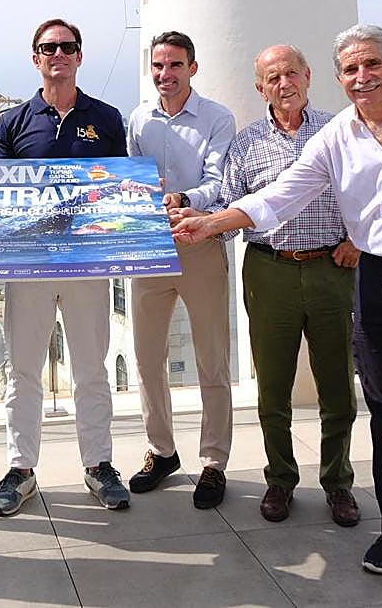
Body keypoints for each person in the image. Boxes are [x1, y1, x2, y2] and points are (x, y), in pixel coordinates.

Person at [172, 24, 382, 592]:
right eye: (352, 70)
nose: (363, 78)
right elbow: (281, 194)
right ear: (339, 79)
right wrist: (212, 221)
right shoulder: (336, 136)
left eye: (372, 65)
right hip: (374, 281)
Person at [205, 44, 360, 526]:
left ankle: (338, 483)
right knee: (273, 386)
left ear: (309, 76)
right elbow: (231, 209)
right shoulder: (247, 144)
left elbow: (371, 193)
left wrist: (358, 238)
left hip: (331, 268)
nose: (284, 84)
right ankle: (280, 479)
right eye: (273, 78)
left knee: (338, 385)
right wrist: (196, 224)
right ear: (260, 88)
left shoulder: (342, 132)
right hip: (268, 270)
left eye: (291, 73)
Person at [0, 17, 131, 517]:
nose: (58, 54)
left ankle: (99, 465)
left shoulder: (108, 118)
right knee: (23, 370)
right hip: (29, 267)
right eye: (49, 47)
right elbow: (1, 190)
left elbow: (117, 188)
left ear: (79, 56)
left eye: (68, 47)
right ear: (35, 58)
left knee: (91, 369)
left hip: (88, 266)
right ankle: (20, 469)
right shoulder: (12, 123)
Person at [124, 31, 236, 508]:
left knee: (212, 357)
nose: (164, 74)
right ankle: (161, 451)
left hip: (199, 242)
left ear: (193, 67)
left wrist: (185, 200)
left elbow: (219, 179)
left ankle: (213, 461)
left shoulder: (217, 118)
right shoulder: (137, 118)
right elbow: (128, 176)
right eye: (157, 66)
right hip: (149, 245)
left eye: (174, 65)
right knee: (147, 358)